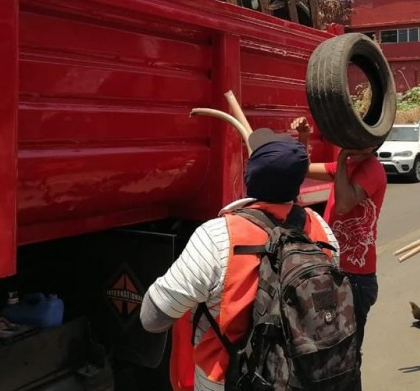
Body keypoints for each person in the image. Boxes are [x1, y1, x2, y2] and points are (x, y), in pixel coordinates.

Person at [139, 128, 338, 391]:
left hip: (229, 379)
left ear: (251, 174)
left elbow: (152, 318)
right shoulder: (322, 230)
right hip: (302, 377)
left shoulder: (217, 236)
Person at [291, 117, 387, 356]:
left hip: (355, 278)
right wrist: (303, 138)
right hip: (333, 271)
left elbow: (344, 204)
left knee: (348, 354)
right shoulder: (347, 167)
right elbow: (303, 169)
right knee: (328, 346)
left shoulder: (372, 169)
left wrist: (343, 157)